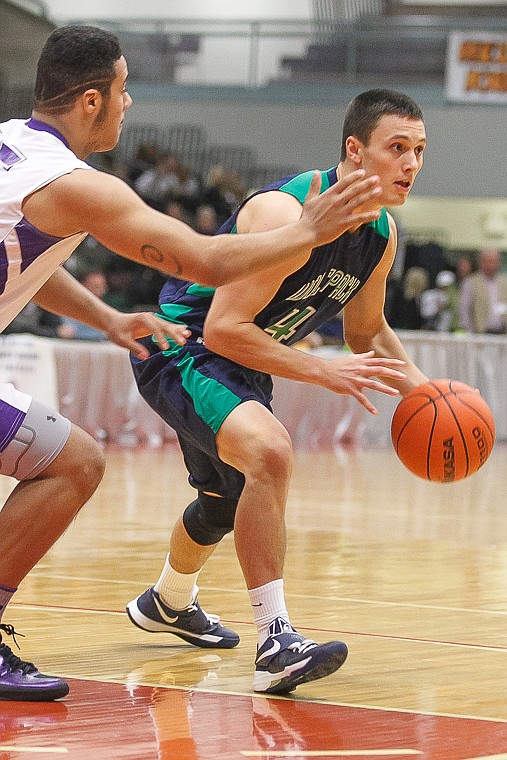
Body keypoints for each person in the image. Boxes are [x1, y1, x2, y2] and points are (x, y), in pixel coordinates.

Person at [0, 26, 393, 703]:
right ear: (92, 100)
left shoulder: (16, 147)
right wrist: (307, 230)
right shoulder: (73, 184)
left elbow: (26, 260)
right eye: (124, 92)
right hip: (196, 353)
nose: (130, 104)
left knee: (76, 460)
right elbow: (202, 261)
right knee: (75, 463)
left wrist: (109, 319)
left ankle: (172, 600)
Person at [126, 89, 430, 695]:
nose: (412, 164)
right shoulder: (284, 215)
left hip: (244, 364)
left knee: (220, 504)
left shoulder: (381, 233)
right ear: (354, 150)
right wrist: (323, 373)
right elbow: (224, 329)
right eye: (397, 148)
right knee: (269, 452)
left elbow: (364, 330)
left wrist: (429, 391)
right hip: (185, 349)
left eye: (420, 151)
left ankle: (167, 600)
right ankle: (275, 641)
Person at [459, 248, 507, 334]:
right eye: (487, 261)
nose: (490, 265)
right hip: (480, 334)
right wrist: (469, 332)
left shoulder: (504, 284)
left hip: (502, 333)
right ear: (481, 263)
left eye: (493, 261)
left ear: (498, 263)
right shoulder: (470, 282)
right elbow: (464, 310)